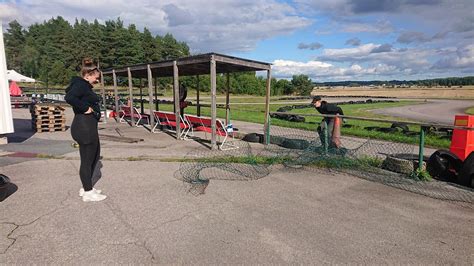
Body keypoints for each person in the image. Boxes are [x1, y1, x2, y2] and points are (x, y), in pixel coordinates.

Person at [65, 58, 106, 202]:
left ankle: (86, 187)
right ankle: (88, 193)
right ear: (88, 75)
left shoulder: (83, 86)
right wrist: (85, 108)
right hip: (84, 127)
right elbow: (69, 97)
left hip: (88, 126)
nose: (97, 80)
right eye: (96, 77)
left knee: (94, 156)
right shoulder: (80, 85)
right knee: (87, 160)